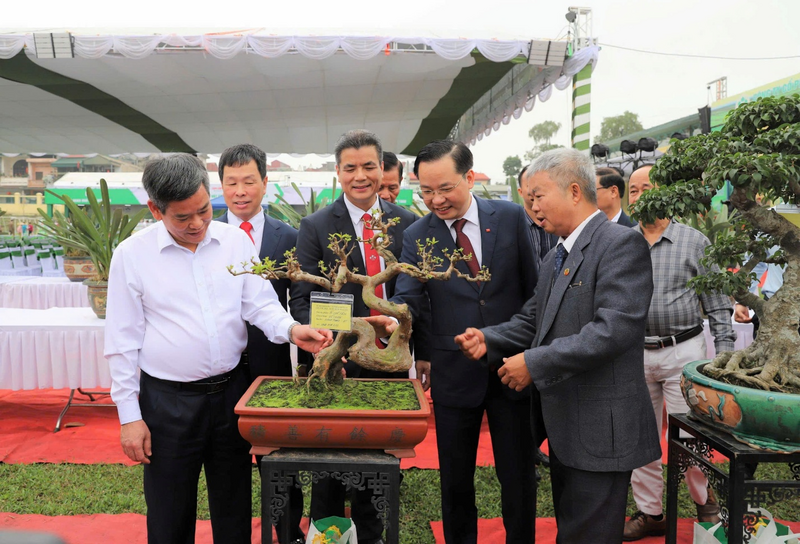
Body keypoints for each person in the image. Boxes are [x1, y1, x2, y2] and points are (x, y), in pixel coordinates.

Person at [104, 153, 332, 544]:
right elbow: (122, 341)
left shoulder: (233, 241)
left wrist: (293, 330)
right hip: (169, 403)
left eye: (204, 210)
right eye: (182, 217)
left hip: (231, 393)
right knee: (169, 509)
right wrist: (129, 416)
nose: (196, 224)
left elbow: (259, 304)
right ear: (154, 209)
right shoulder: (132, 255)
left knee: (234, 504)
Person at [455, 148, 661, 544]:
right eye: (527, 198)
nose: (531, 207)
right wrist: (489, 338)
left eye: (537, 195)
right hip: (568, 425)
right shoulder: (556, 255)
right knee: (574, 526)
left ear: (573, 191)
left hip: (602, 428)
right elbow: (534, 319)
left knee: (590, 533)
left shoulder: (619, 245)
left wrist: (534, 362)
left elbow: (613, 330)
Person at [386, 139, 539, 544]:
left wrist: (529, 353)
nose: (436, 200)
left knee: (518, 476)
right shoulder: (418, 234)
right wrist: (393, 318)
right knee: (455, 480)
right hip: (453, 370)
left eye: (446, 188)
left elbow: (534, 290)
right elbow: (409, 295)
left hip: (513, 367)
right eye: (426, 191)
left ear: (469, 177)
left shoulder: (509, 218)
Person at [293, 129, 419, 544]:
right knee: (328, 460)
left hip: (388, 357)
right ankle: (327, 534)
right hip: (339, 357)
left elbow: (415, 289)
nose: (360, 176)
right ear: (338, 172)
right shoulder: (315, 226)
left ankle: (373, 533)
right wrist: (336, 337)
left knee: (380, 454)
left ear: (383, 169)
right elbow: (303, 298)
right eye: (351, 168)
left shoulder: (407, 224)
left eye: (369, 166)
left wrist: (396, 322)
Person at [623, 164, 730, 541]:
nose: (637, 197)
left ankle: (706, 504)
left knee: (690, 435)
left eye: (645, 188)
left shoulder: (694, 241)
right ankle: (650, 513)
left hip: (683, 352)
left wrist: (725, 354)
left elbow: (717, 302)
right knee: (641, 437)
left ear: (666, 192)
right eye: (632, 191)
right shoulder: (623, 241)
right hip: (635, 353)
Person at [215, 143, 305, 544]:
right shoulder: (206, 235)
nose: (240, 191)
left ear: (265, 183)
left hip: (273, 362)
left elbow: (298, 303)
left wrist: (305, 362)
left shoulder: (291, 237)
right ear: (220, 186)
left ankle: (289, 532)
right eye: (231, 182)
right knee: (230, 457)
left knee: (279, 457)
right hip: (224, 368)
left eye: (248, 181)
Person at [518, 164, 559, 270]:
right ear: (520, 192)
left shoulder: (560, 223)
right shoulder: (514, 226)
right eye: (529, 185)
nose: (534, 190)